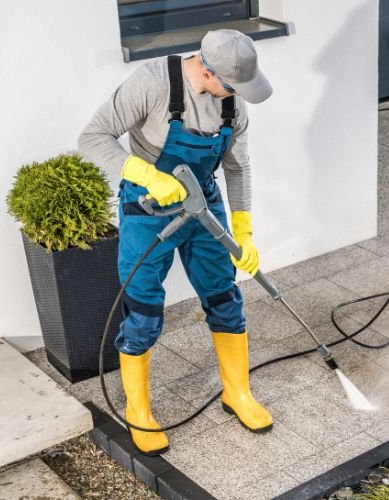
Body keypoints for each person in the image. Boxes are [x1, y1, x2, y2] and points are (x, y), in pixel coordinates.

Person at [78, 29, 273, 455]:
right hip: (148, 211)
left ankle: (236, 394)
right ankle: (139, 412)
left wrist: (243, 227)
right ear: (206, 70)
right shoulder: (150, 83)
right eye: (231, 86)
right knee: (144, 311)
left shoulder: (233, 103)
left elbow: (238, 168)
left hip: (205, 205)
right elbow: (91, 138)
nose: (236, 96)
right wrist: (146, 174)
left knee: (225, 298)